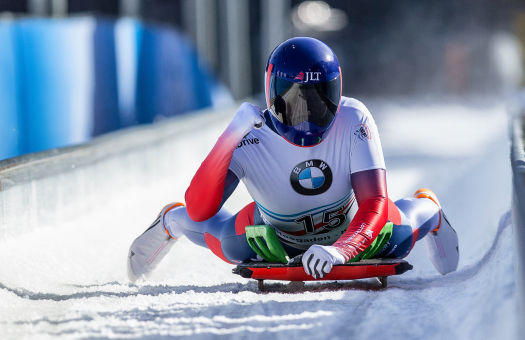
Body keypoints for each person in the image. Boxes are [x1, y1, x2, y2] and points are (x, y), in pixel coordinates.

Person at [127, 37, 459, 282]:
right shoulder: (249, 134)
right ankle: (173, 219)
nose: (306, 119)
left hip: (349, 225)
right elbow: (201, 208)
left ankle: (428, 206)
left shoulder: (354, 118)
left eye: (318, 102)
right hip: (276, 229)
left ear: (336, 93)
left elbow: (373, 202)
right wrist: (229, 138)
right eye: (293, 103)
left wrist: (340, 250)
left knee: (396, 239)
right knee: (232, 244)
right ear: (272, 96)